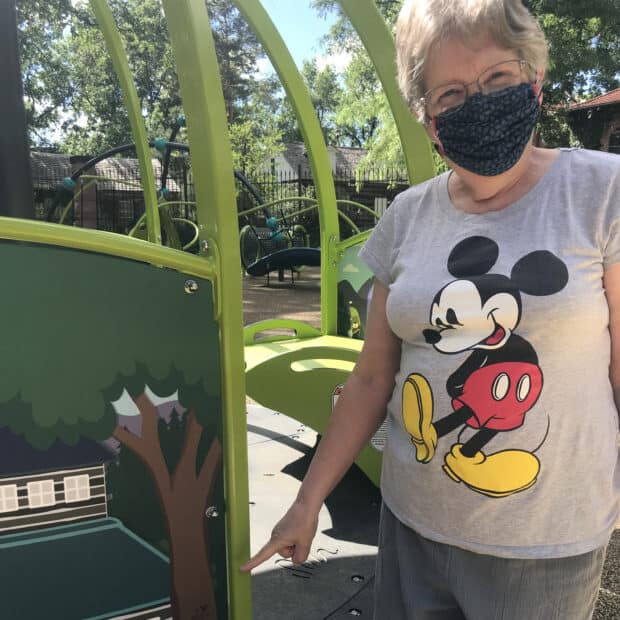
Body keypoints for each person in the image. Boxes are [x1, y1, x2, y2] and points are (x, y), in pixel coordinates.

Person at [241, 1, 620, 617]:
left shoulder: (602, 192)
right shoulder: (406, 218)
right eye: (450, 93)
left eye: (498, 78)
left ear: (533, 78)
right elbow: (370, 379)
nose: (478, 103)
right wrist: (307, 500)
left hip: (542, 548)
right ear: (426, 119)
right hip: (412, 527)